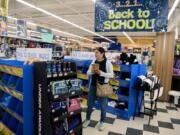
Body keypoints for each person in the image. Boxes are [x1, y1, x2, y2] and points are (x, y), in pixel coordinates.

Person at [83, 47, 114, 131]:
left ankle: (102, 122)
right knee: (90, 104)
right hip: (93, 86)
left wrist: (101, 73)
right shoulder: (94, 61)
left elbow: (112, 75)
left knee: (103, 106)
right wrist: (92, 72)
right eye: (95, 53)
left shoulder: (108, 63)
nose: (95, 54)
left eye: (97, 53)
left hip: (103, 87)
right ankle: (87, 119)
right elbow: (87, 72)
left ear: (102, 53)